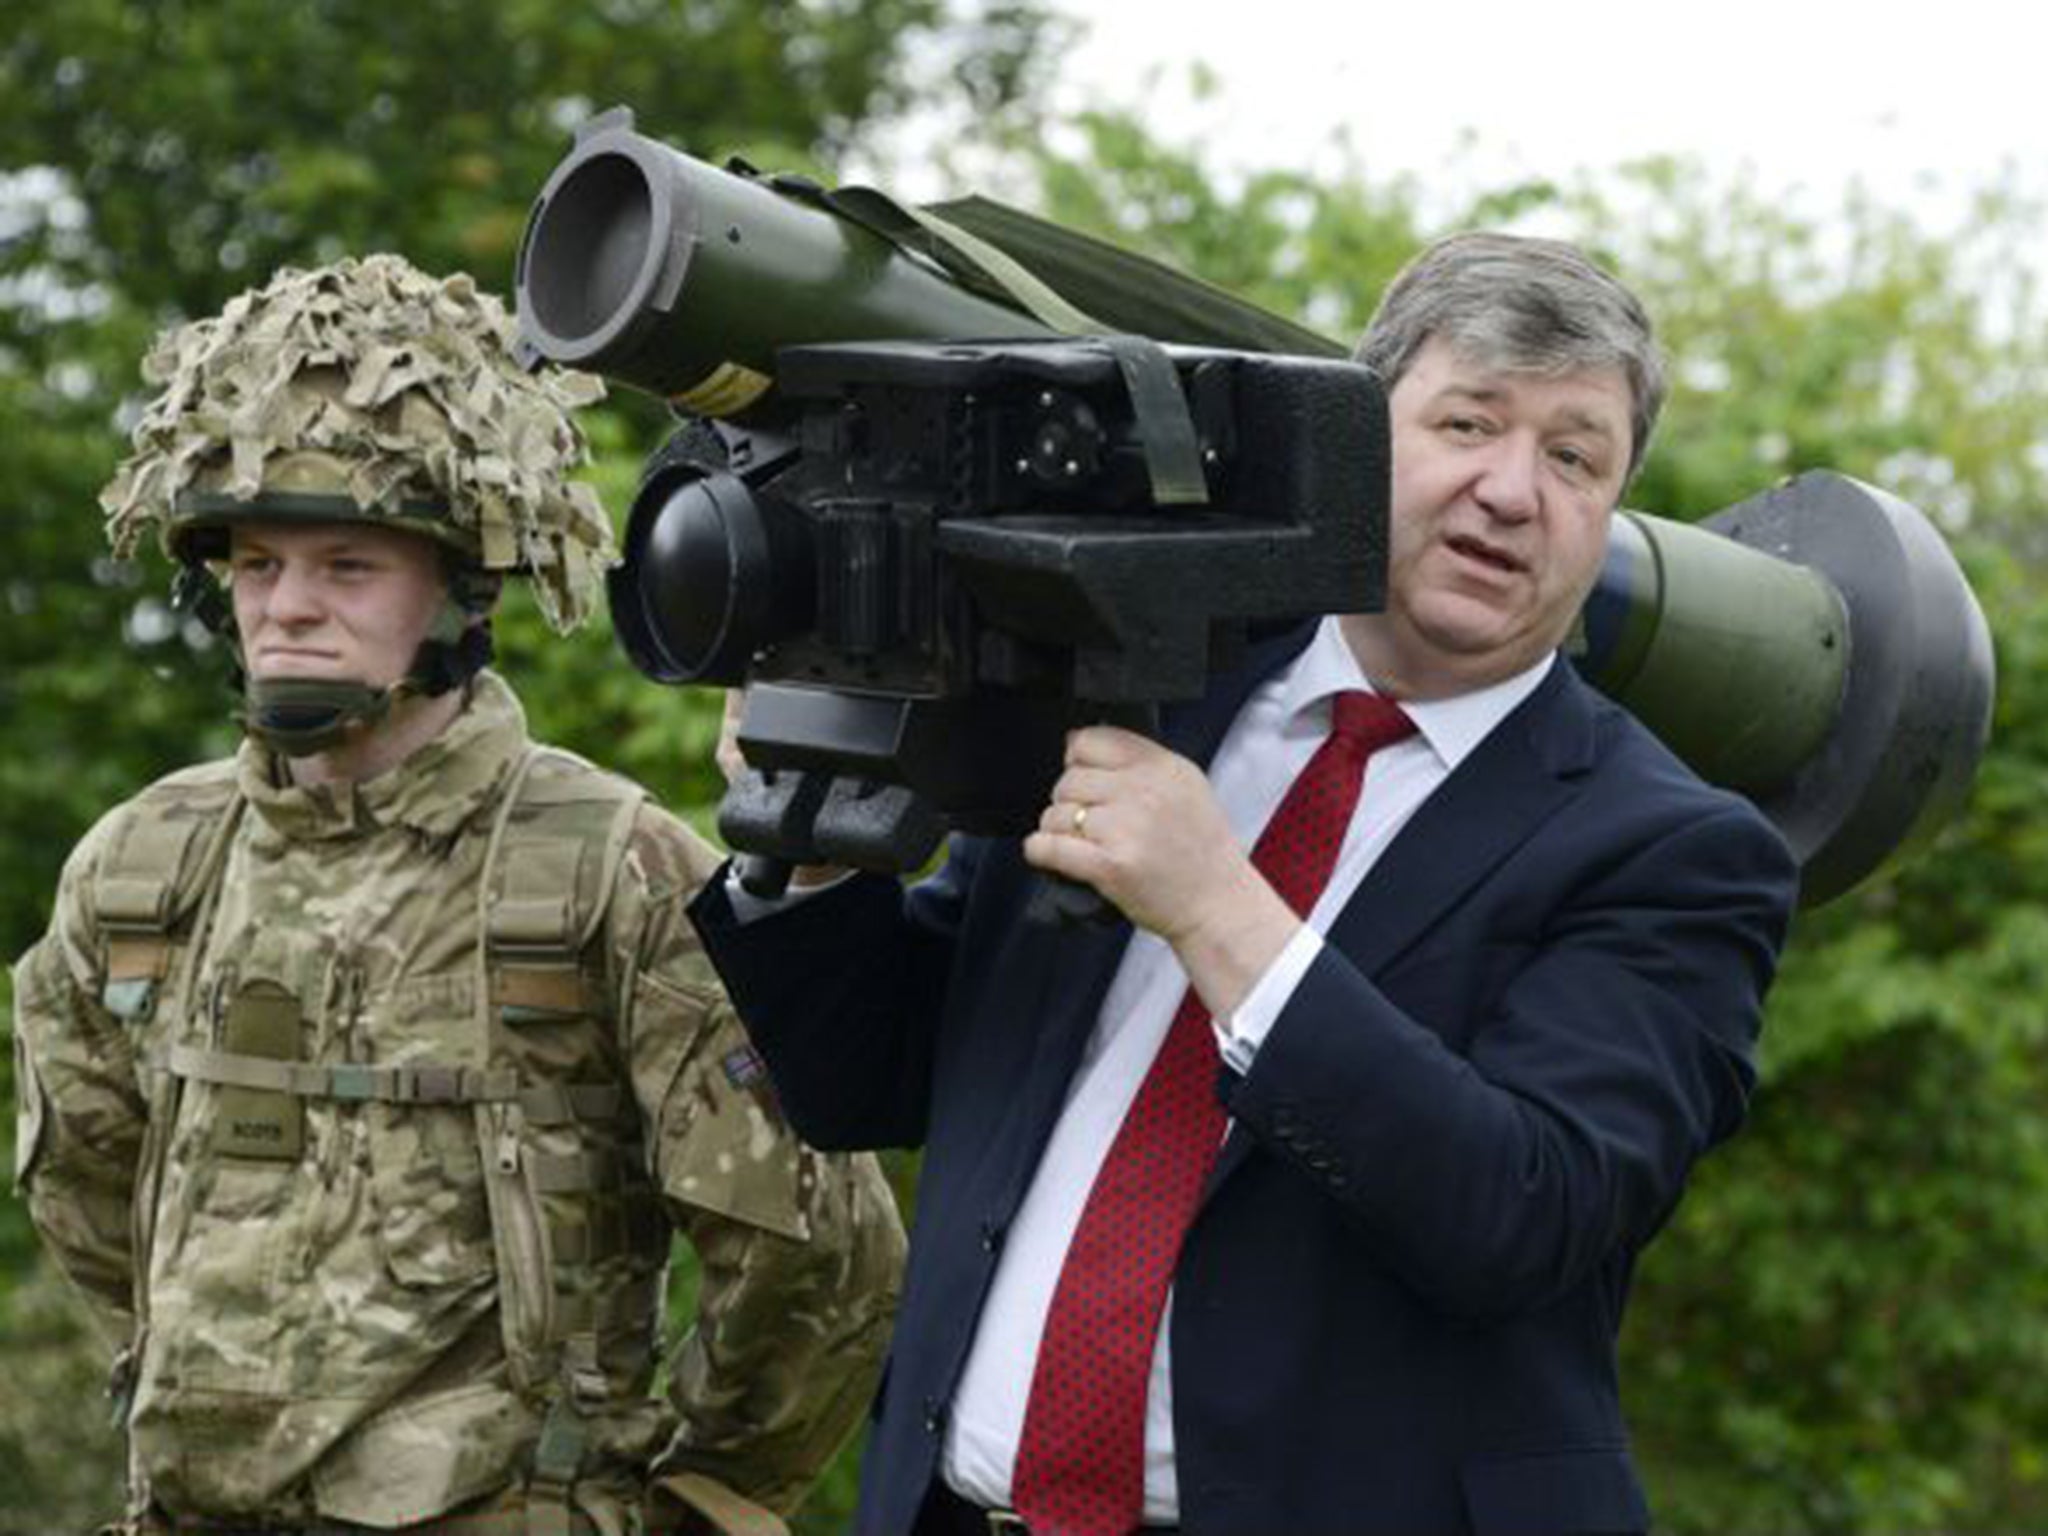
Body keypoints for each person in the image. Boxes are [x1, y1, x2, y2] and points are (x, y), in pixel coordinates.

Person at [688, 231, 1801, 1536]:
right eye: (1468, 423)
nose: (1512, 491)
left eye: (1574, 457)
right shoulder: (1146, 673)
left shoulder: (1674, 852)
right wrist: (811, 841)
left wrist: (1220, 911)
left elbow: (1523, 1214)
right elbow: (872, 1079)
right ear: (1357, 438)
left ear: (1611, 511)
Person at [10, 254, 905, 1536]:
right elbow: (84, 1189)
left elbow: (814, 1250)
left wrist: (698, 1503)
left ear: (461, 584)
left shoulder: (605, 865)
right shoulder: (145, 864)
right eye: (256, 564)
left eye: (346, 567)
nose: (288, 610)